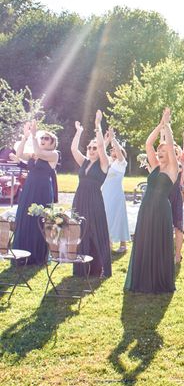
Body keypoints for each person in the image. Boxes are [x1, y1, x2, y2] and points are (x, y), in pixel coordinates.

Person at [125, 108, 178, 293]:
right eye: (159, 150)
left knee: (158, 241)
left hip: (161, 209)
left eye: (163, 150)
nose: (160, 151)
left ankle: (156, 279)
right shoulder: (155, 166)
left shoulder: (173, 169)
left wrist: (168, 126)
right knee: (144, 239)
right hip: (146, 207)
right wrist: (160, 125)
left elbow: (170, 146)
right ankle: (142, 277)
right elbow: (148, 143)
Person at [70, 110, 112, 277]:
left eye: (94, 148)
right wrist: (79, 132)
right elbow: (73, 149)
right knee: (80, 230)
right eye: (89, 147)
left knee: (96, 231)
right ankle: (81, 268)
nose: (92, 150)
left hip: (94, 200)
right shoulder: (84, 162)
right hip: (79, 198)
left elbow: (102, 146)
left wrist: (97, 126)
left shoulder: (104, 163)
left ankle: (101, 268)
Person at [12, 121, 59, 265]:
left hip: (42, 190)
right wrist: (25, 137)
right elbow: (18, 155)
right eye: (42, 138)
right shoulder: (34, 154)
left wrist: (33, 135)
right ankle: (22, 254)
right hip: (29, 188)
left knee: (39, 220)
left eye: (47, 138)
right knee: (24, 217)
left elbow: (39, 152)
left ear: (53, 143)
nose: (43, 140)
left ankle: (37, 255)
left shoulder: (54, 154)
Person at [101, 127, 130, 253]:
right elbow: (100, 151)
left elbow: (118, 151)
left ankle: (123, 244)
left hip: (116, 194)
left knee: (119, 216)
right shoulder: (108, 162)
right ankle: (108, 242)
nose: (113, 150)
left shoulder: (122, 163)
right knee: (106, 216)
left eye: (115, 149)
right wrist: (106, 139)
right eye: (111, 149)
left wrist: (113, 139)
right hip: (105, 192)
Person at [168, 130, 184, 264]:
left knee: (178, 227)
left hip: (175, 196)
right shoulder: (164, 165)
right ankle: (166, 252)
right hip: (165, 197)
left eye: (175, 153)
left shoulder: (179, 165)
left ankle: (178, 254)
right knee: (165, 227)